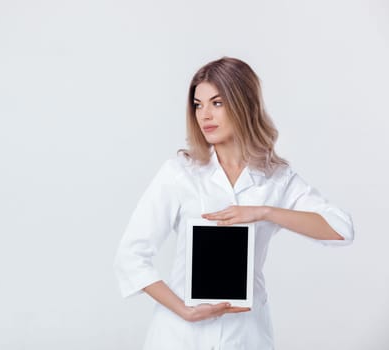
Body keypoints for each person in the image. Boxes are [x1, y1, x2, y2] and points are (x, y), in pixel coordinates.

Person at [113, 57, 354, 350]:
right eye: (198, 105)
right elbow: (131, 256)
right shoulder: (180, 173)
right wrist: (183, 310)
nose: (205, 115)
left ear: (244, 104)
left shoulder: (276, 178)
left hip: (247, 334)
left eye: (217, 102)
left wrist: (265, 212)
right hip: (180, 336)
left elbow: (341, 230)